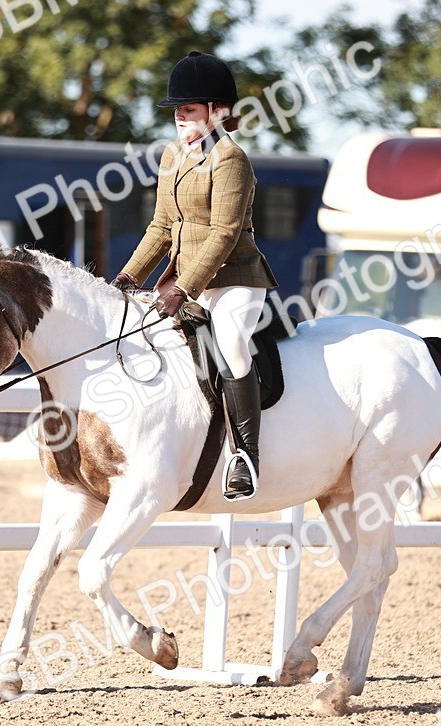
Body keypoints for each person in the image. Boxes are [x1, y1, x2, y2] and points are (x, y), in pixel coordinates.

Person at [109, 51, 278, 501]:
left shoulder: (231, 159)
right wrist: (127, 277)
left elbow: (224, 233)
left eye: (190, 110)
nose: (180, 118)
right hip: (185, 279)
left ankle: (245, 456)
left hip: (235, 279)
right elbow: (161, 227)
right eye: (178, 112)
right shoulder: (172, 156)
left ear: (218, 111)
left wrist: (185, 287)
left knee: (230, 342)